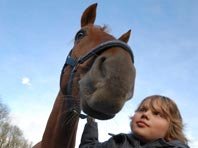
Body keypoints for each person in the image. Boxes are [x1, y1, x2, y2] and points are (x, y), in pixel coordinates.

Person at [79, 95, 189, 148]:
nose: (145, 114)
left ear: (172, 127)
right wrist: (91, 122)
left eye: (157, 114)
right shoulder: (117, 143)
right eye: (142, 110)